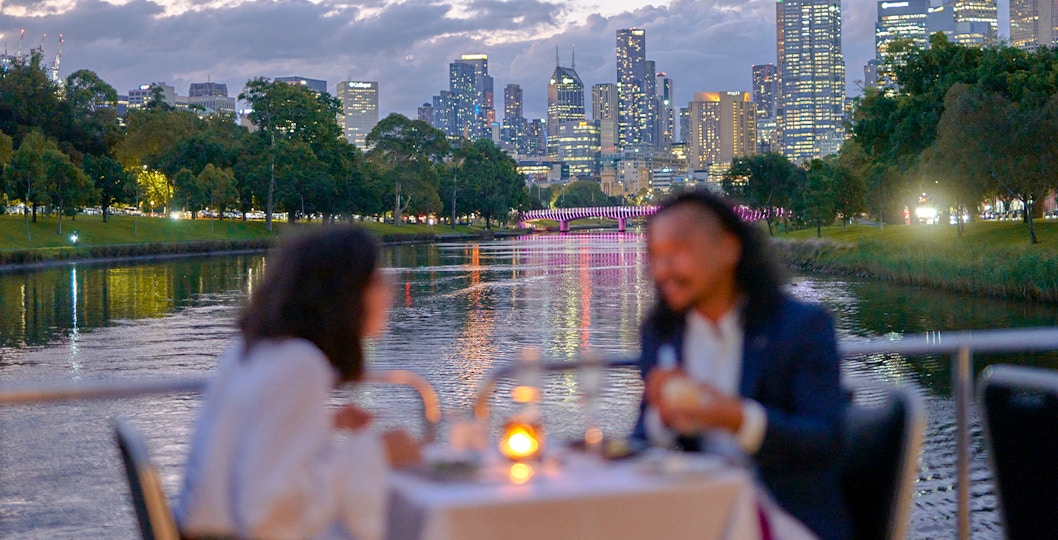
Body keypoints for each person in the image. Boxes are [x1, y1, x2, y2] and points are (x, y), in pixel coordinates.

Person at [177, 226, 420, 540]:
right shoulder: (298, 365)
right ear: (343, 293)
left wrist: (324, 424)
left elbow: (250, 446)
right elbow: (268, 516)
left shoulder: (252, 349)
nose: (389, 290)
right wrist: (376, 452)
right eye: (374, 280)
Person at [633, 190, 851, 540]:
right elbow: (642, 441)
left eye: (675, 254)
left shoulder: (800, 326)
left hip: (786, 517)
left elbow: (826, 439)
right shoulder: (660, 332)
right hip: (691, 514)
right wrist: (661, 415)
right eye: (655, 257)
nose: (662, 271)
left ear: (728, 250)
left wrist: (738, 419)